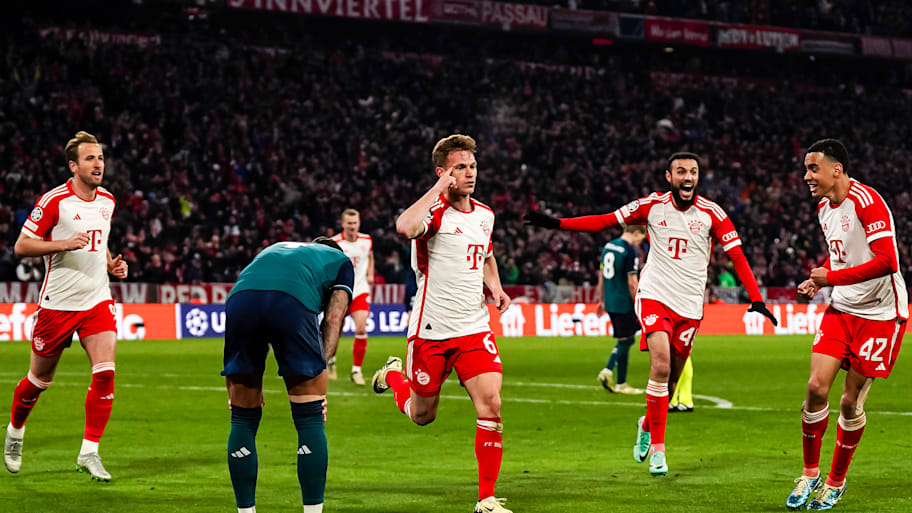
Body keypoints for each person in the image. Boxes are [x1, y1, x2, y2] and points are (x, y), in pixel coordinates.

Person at [524, 152, 777, 477]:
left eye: (693, 172)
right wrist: (556, 223)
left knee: (670, 382)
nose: (688, 177)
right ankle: (659, 449)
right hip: (654, 296)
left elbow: (737, 255)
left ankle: (647, 424)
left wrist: (756, 298)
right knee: (659, 367)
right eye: (681, 171)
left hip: (689, 307)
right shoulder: (650, 206)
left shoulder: (713, 214)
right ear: (669, 177)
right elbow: (604, 220)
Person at [371, 134, 513, 513]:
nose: (470, 173)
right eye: (460, 168)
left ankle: (485, 499)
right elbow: (404, 227)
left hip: (474, 328)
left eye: (472, 166)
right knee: (422, 416)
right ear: (443, 173)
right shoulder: (434, 213)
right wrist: (437, 188)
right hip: (431, 331)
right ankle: (393, 377)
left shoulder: (485, 215)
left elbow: (486, 255)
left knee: (491, 405)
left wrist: (496, 288)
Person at [786, 139, 907, 511]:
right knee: (815, 388)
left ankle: (836, 482)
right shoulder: (824, 207)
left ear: (836, 169)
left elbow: (887, 261)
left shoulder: (867, 202)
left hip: (880, 316)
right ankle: (810, 475)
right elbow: (841, 252)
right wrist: (821, 274)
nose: (807, 177)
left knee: (849, 403)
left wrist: (830, 279)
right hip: (842, 309)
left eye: (813, 169)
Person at [4, 131, 128, 481]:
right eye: (90, 159)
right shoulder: (55, 201)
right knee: (38, 381)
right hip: (57, 305)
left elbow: (99, 238)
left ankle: (90, 452)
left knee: (105, 373)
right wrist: (61, 243)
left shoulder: (107, 200)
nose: (98, 163)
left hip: (97, 300)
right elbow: (22, 246)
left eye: (100, 157)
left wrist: (109, 263)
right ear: (73, 166)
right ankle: (15, 430)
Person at [222, 238, 353, 513]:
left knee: (241, 416)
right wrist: (320, 371)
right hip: (291, 301)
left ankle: (245, 511)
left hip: (239, 300)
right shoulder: (341, 262)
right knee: (309, 418)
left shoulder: (276, 247)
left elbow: (257, 292)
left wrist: (234, 390)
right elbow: (333, 318)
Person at [596, 225, 647, 394]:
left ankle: (620, 382)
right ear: (636, 233)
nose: (641, 242)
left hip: (610, 300)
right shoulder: (628, 251)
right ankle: (609, 371)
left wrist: (601, 299)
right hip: (624, 301)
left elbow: (601, 274)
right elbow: (632, 282)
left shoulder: (608, 246)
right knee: (627, 340)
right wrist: (640, 301)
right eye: (641, 238)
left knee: (626, 338)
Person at [329, 209, 374, 385]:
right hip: (340, 292)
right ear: (343, 224)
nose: (353, 226)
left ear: (359, 223)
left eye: (355, 223)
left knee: (361, 328)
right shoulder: (334, 242)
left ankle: (356, 370)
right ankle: (331, 361)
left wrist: (370, 273)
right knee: (335, 330)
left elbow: (370, 256)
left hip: (360, 290)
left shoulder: (367, 239)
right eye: (349, 223)